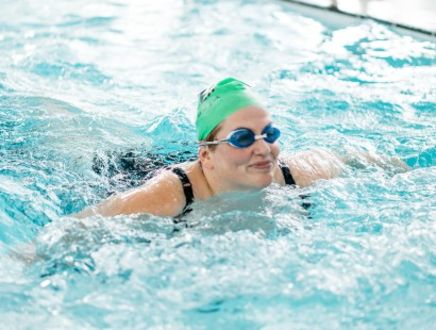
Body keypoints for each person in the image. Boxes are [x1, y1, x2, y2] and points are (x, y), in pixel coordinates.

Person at [75, 77, 401, 219]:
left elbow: (356, 160)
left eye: (269, 134)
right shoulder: (166, 195)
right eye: (242, 138)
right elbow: (77, 228)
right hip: (130, 173)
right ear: (206, 155)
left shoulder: (295, 172)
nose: (263, 149)